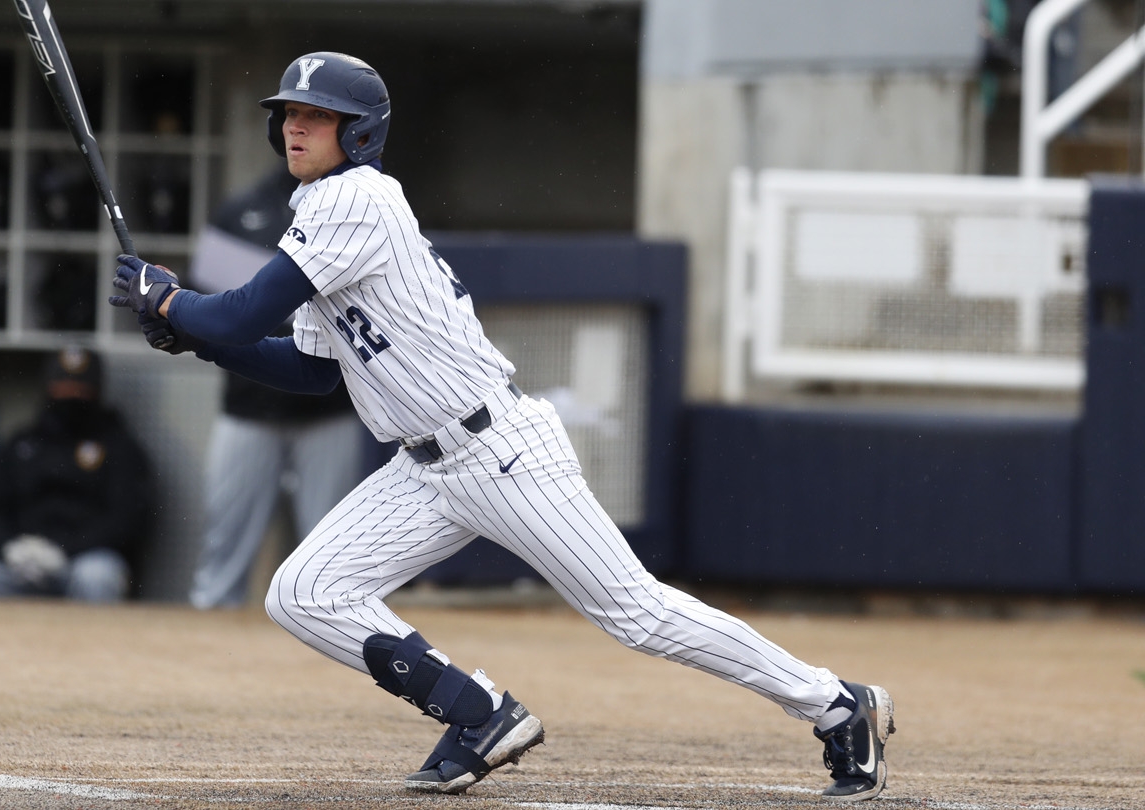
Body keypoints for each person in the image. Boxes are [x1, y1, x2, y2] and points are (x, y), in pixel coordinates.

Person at [110, 52, 895, 800]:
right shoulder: (316, 209)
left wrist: (175, 304)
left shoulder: (360, 198)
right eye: (289, 111)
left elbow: (243, 312)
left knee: (638, 614)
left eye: (319, 114)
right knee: (304, 593)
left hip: (498, 451)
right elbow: (311, 370)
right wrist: (194, 339)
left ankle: (834, 703)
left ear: (360, 132)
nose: (296, 125)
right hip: (423, 469)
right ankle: (479, 714)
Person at [186, 165, 364, 610]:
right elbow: (207, 301)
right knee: (224, 543)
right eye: (290, 118)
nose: (297, 132)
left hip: (330, 409)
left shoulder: (356, 206)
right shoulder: (244, 210)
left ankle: (329, 639)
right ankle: (208, 638)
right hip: (249, 407)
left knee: (331, 551)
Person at [0, 345, 154, 602]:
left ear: (96, 391)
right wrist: (10, 548)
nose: (70, 396)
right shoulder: (22, 444)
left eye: (80, 389)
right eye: (63, 387)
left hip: (78, 562)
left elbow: (125, 520)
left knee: (98, 577)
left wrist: (64, 549)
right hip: (19, 562)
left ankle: (93, 643)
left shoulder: (118, 447)